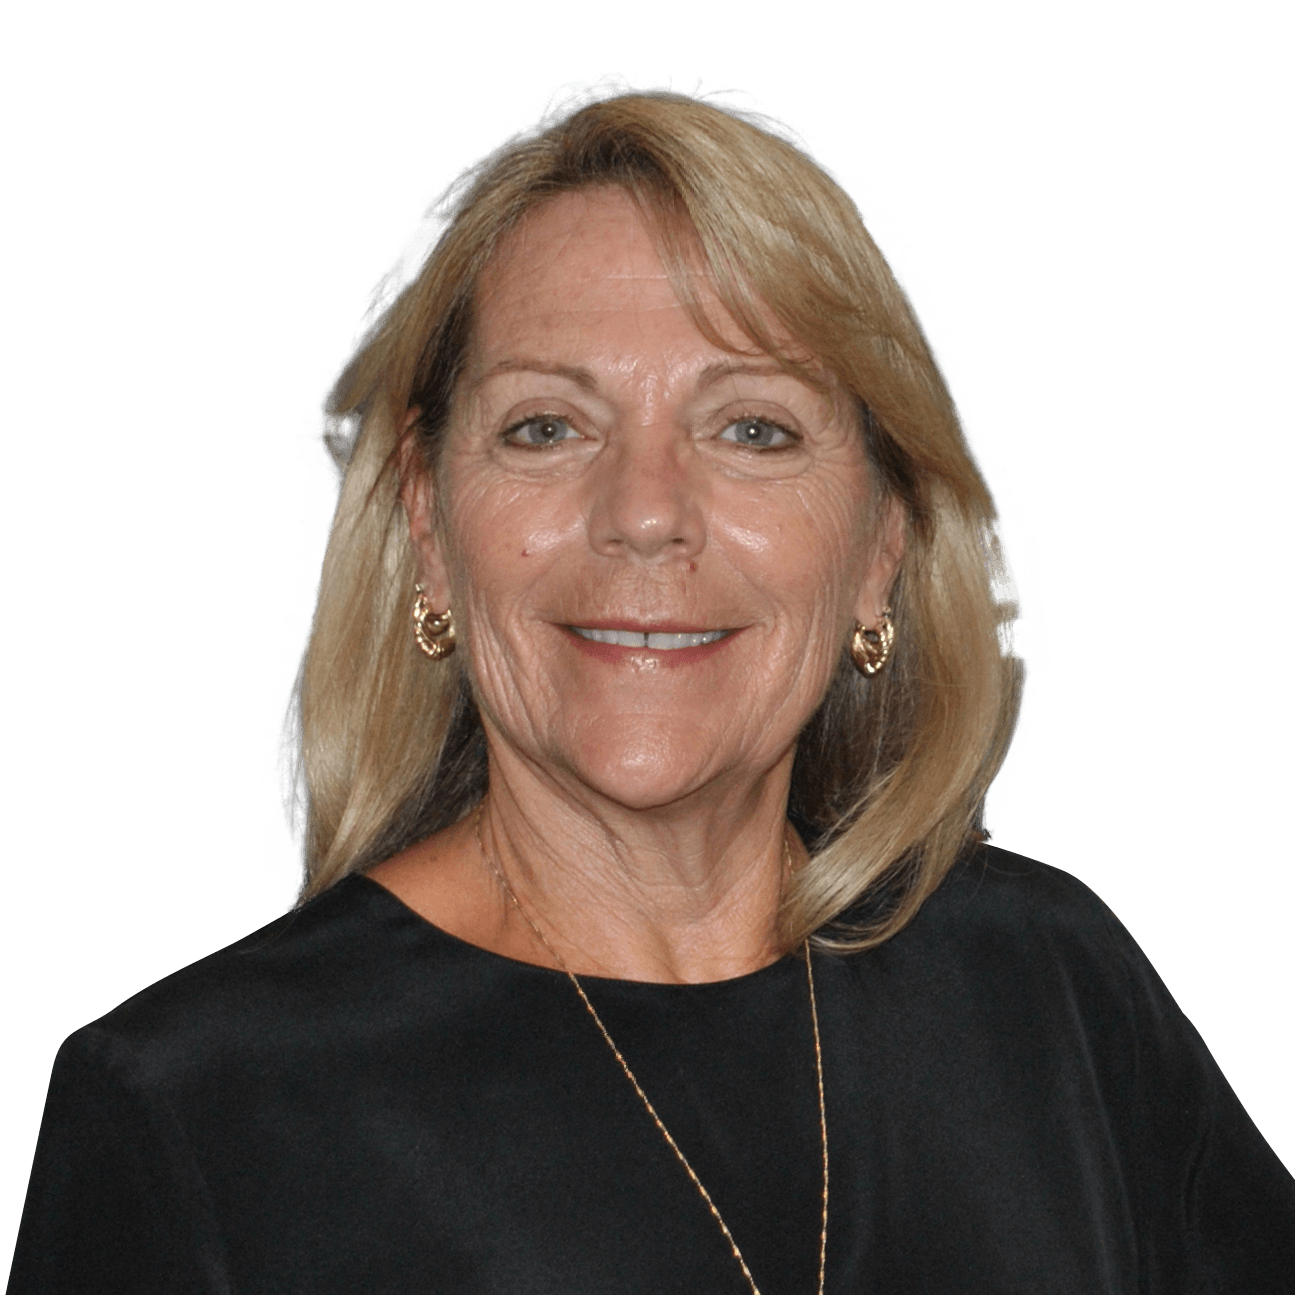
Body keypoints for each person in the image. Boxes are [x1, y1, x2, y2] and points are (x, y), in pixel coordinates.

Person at [9, 86, 1294, 1295]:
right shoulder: (194, 1109)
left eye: (751, 428)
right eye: (545, 426)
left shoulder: (1051, 990)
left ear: (880, 546)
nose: (642, 513)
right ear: (428, 524)